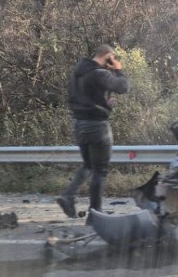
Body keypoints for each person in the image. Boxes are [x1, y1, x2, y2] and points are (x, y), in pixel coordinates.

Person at [57, 44, 129, 225]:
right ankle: (95, 216)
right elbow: (123, 87)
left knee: (88, 165)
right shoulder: (99, 73)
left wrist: (105, 104)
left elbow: (84, 98)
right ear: (108, 57)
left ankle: (68, 196)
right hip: (97, 126)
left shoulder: (77, 72)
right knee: (100, 170)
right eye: (112, 59)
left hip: (79, 124)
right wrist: (119, 70)